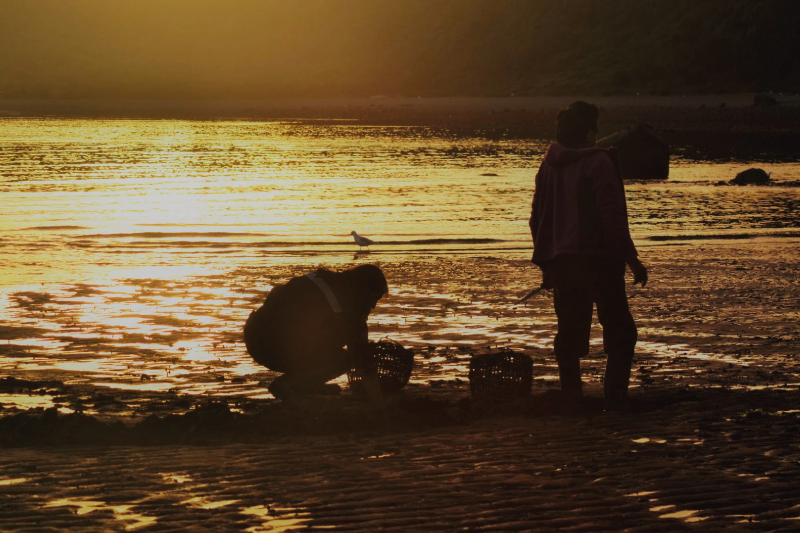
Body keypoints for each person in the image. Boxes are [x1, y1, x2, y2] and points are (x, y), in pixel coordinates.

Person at [529, 101, 648, 407]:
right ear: (589, 131)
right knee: (620, 331)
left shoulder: (549, 163)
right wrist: (632, 260)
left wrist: (546, 265)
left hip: (561, 262)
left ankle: (572, 396)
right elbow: (612, 217)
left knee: (570, 333)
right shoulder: (599, 163)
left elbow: (536, 217)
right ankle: (615, 395)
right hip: (600, 261)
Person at [244, 264, 388, 403]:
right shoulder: (348, 312)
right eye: (373, 299)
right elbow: (363, 361)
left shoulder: (321, 279)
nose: (373, 306)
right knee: (344, 359)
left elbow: (277, 292)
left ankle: (309, 386)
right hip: (273, 350)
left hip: (253, 336)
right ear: (363, 289)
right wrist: (379, 404)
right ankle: (289, 384)